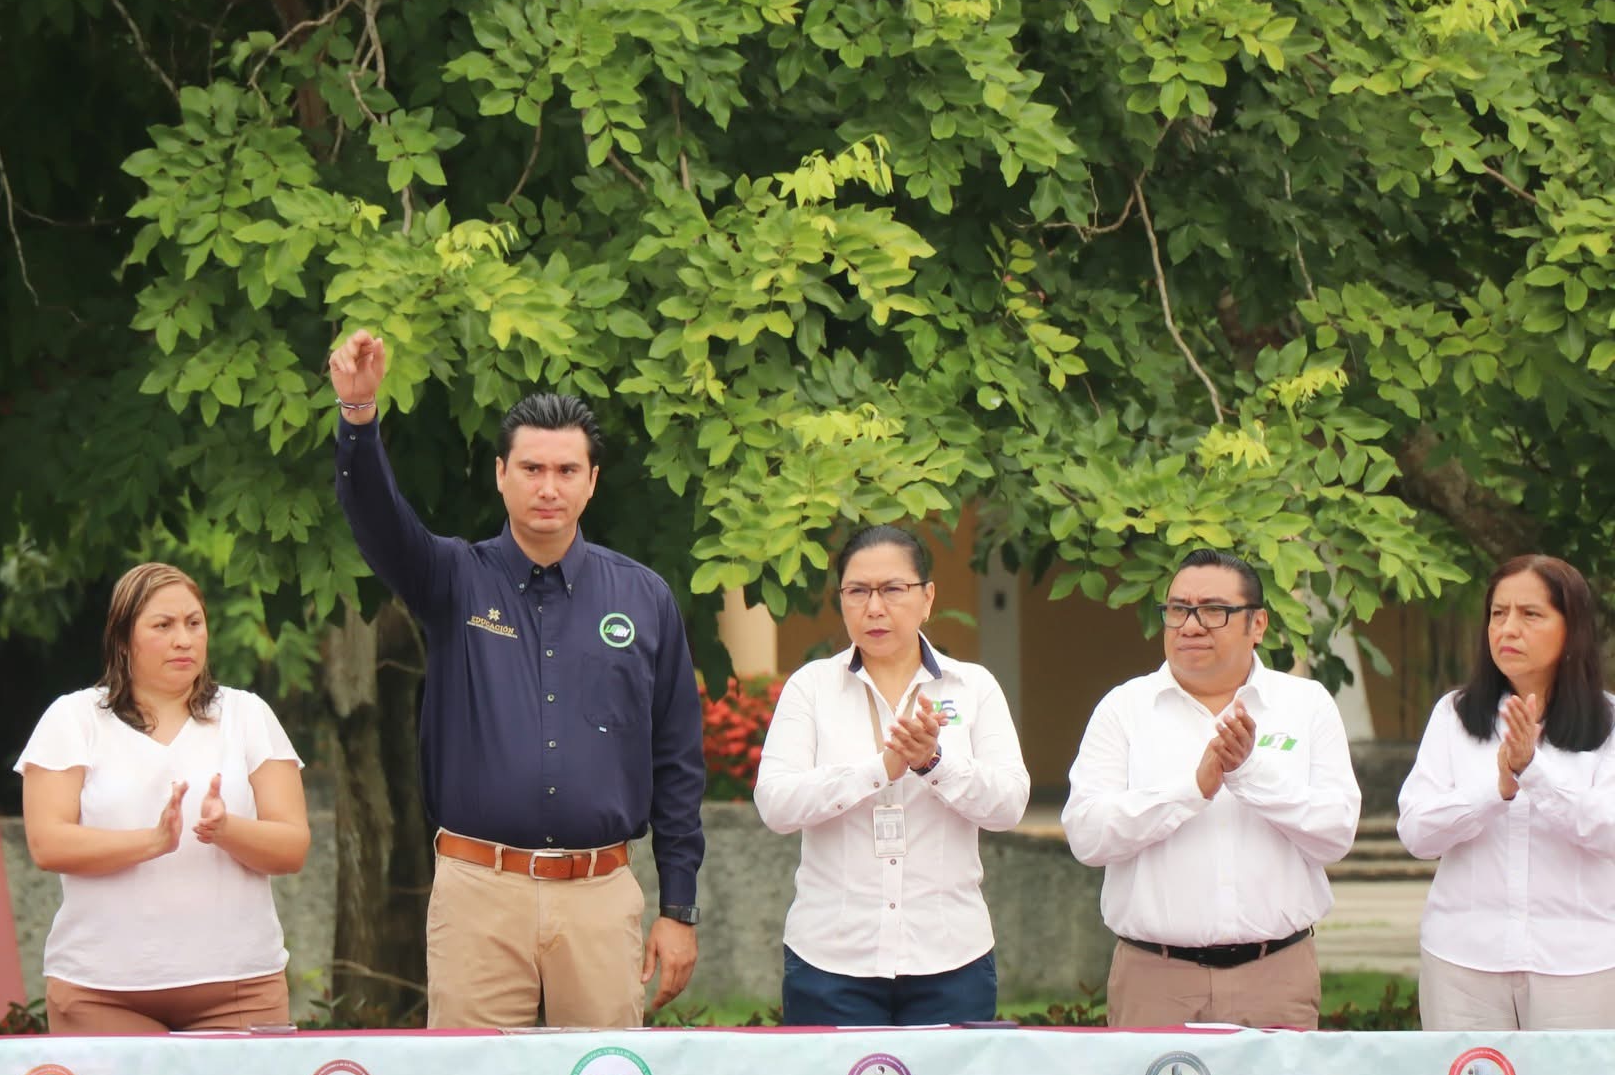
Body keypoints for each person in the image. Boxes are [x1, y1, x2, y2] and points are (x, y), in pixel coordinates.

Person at [328, 328, 705, 1028]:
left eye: (566, 470)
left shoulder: (644, 598)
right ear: (501, 474)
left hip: (599, 894)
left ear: (592, 481)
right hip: (479, 892)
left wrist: (678, 906)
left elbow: (677, 760)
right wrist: (357, 416)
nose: (548, 487)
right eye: (531, 468)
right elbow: (378, 521)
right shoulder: (454, 579)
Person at [1062, 548, 1359, 1028]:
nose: (1191, 626)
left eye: (1213, 611)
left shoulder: (1305, 705)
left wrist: (1249, 774)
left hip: (1275, 974)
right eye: (1178, 609)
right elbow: (1087, 837)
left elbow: (1336, 833)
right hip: (1155, 977)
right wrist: (1191, 791)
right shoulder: (1124, 708)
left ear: (1257, 624)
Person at [16, 562, 309, 1033]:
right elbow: (47, 844)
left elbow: (292, 847)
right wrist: (153, 842)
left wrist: (226, 829)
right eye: (163, 626)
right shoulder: (73, 718)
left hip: (240, 986)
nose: (183, 640)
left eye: (194, 623)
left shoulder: (247, 715)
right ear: (122, 639)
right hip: (99, 991)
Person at [754, 525, 1030, 1025]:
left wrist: (933, 763)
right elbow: (775, 804)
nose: (874, 608)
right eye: (857, 591)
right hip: (831, 960)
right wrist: (879, 770)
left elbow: (1009, 803)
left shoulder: (973, 687)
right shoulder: (811, 687)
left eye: (893, 589)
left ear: (928, 598)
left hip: (950, 956)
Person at [1398, 555, 1615, 1029]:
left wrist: (1533, 772)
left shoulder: (1609, 722)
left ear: (1573, 628)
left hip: (1582, 963)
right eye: (1498, 614)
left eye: (1530, 614)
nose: (1508, 629)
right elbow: (1417, 833)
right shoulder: (1455, 716)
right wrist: (1496, 789)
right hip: (1463, 961)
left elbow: (1608, 831)